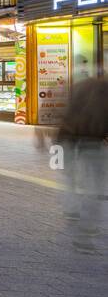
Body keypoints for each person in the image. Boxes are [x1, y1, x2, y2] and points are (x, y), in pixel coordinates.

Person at [58, 76, 108, 254]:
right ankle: (84, 235)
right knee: (95, 189)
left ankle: (73, 211)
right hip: (91, 144)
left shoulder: (82, 87)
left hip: (68, 141)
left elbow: (65, 115)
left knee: (72, 179)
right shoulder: (102, 92)